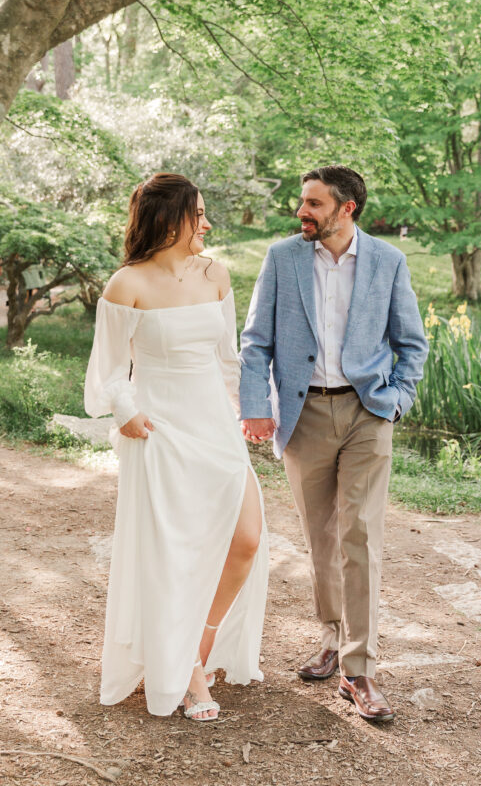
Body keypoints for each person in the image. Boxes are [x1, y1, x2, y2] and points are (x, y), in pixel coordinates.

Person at [240, 165, 428, 723]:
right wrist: (256, 406)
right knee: (320, 537)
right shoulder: (282, 258)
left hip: (368, 411)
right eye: (303, 201)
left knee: (360, 534)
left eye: (315, 203)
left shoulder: (388, 262)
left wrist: (397, 399)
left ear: (347, 208)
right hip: (303, 415)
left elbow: (411, 343)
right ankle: (333, 636)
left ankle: (359, 668)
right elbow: (256, 342)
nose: (304, 210)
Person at [84, 173, 267, 721]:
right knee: (175, 554)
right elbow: (110, 372)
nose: (208, 224)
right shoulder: (127, 284)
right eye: (199, 215)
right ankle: (186, 672)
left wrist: (246, 413)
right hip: (159, 431)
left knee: (246, 539)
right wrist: (128, 413)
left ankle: (201, 646)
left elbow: (228, 357)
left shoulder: (216, 274)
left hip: (213, 425)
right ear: (168, 221)